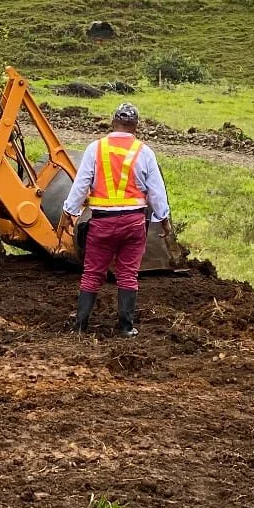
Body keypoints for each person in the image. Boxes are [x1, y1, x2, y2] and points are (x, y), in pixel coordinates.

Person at [60, 102, 173, 337]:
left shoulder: (95, 149)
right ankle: (125, 327)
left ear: (113, 123)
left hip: (102, 223)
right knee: (128, 274)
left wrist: (68, 213)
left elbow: (81, 184)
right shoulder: (144, 152)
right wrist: (164, 219)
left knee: (92, 273)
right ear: (136, 127)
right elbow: (156, 191)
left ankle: (80, 327)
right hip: (133, 223)